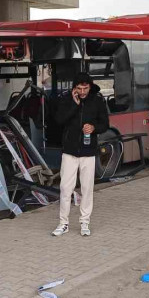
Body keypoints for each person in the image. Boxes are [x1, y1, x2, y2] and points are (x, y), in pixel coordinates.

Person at [52, 73, 110, 237]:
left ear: (90, 87)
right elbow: (59, 120)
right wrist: (74, 105)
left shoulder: (97, 101)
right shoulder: (66, 99)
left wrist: (94, 128)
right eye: (79, 88)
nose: (82, 91)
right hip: (69, 152)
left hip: (88, 152)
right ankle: (63, 223)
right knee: (65, 188)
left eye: (85, 88)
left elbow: (105, 124)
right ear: (74, 88)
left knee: (87, 188)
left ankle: (85, 222)